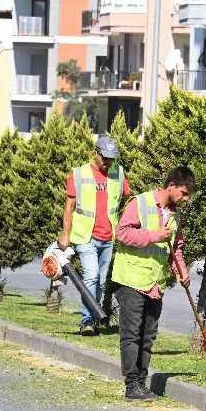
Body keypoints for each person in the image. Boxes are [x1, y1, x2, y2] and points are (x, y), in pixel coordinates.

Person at [110, 166, 194, 401]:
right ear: (172, 186)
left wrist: (181, 271)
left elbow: (176, 247)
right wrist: (154, 235)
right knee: (131, 335)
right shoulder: (141, 203)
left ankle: (141, 383)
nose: (185, 199)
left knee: (148, 336)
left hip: (155, 283)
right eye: (184, 193)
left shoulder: (175, 213)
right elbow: (122, 233)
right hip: (132, 280)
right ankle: (131, 386)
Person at [58, 136, 130, 336]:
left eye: (112, 158)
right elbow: (69, 206)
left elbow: (125, 196)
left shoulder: (119, 173)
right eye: (105, 157)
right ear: (95, 153)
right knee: (91, 275)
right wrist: (65, 234)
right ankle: (87, 321)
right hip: (85, 236)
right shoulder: (79, 174)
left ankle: (95, 319)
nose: (108, 162)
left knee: (100, 282)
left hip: (108, 237)